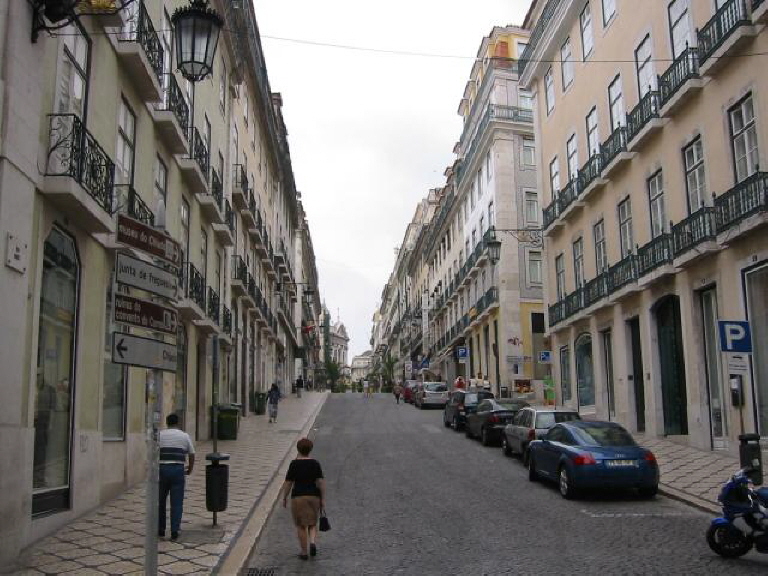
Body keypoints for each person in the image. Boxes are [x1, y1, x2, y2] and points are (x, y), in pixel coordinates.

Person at [280, 438, 326, 560]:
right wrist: (322, 499)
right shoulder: (315, 463)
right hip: (314, 496)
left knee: (301, 525)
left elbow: (288, 483)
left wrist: (284, 497)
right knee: (312, 523)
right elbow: (320, 482)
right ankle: (312, 542)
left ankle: (304, 552)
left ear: (298, 449)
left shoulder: (294, 464)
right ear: (310, 449)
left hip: (298, 497)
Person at [158, 413, 195, 541]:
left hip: (162, 469)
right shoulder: (184, 436)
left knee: (160, 501)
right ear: (178, 423)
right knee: (177, 502)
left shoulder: (160, 435)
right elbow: (191, 453)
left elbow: (153, 452)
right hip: (178, 470)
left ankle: (161, 529)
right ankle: (174, 530)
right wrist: (190, 469)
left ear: (167, 423)